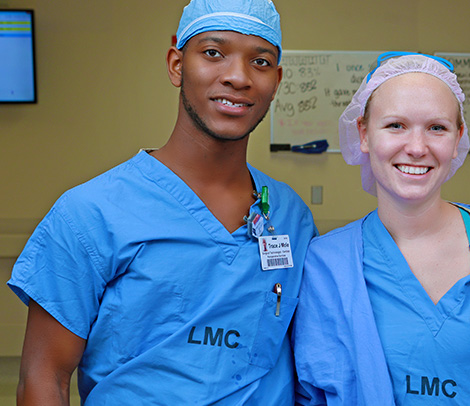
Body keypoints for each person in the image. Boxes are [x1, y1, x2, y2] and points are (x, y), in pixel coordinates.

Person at [7, 0, 316, 403]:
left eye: (260, 62)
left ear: (275, 81)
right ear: (176, 64)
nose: (238, 77)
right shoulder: (90, 214)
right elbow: (43, 377)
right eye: (213, 53)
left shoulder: (290, 217)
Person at [292, 52, 470, 406]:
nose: (417, 148)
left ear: (458, 138)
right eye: (396, 125)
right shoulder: (327, 263)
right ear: (363, 133)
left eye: (437, 128)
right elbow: (312, 392)